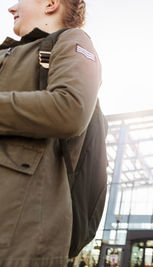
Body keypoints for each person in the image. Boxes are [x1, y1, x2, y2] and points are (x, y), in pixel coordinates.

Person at [0, 0, 101, 266]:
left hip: (20, 233)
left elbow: (70, 109)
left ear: (50, 3)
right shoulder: (7, 53)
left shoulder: (72, 41)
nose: (11, 8)